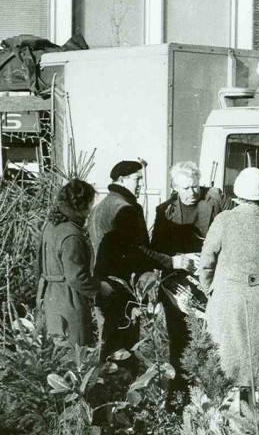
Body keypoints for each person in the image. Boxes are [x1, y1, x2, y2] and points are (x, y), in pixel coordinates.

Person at [88, 160, 192, 361]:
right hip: (123, 288)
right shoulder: (125, 209)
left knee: (108, 344)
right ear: (121, 179)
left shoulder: (101, 207)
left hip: (103, 285)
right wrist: (172, 262)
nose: (140, 185)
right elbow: (138, 250)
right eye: (136, 179)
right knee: (127, 347)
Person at [199, 167, 259, 412]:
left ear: (237, 193)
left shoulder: (224, 220)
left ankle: (221, 413)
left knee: (224, 351)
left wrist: (208, 288)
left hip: (227, 293)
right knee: (258, 353)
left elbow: (207, 260)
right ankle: (256, 413)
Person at [149, 161, 229, 406]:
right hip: (177, 286)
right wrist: (178, 260)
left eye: (195, 186)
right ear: (174, 187)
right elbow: (157, 249)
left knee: (210, 337)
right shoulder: (165, 211)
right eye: (185, 188)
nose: (191, 192)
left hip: (209, 282)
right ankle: (180, 393)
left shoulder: (214, 201)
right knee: (179, 338)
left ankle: (212, 390)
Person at [37, 179, 111, 347]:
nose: (92, 209)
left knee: (56, 352)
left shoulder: (50, 225)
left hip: (50, 297)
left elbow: (39, 265)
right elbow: (76, 277)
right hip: (69, 300)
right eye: (91, 203)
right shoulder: (71, 235)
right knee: (75, 353)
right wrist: (99, 287)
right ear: (81, 204)